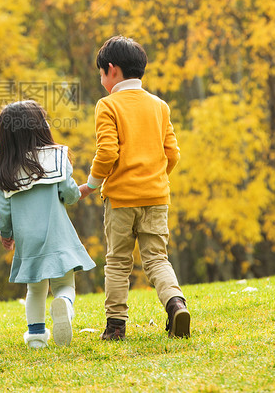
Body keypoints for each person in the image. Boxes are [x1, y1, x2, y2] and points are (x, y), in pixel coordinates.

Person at [78, 35, 191, 340]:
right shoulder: (159, 106)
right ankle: (176, 304)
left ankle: (116, 325)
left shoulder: (108, 106)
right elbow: (173, 154)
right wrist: (156, 177)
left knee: (117, 262)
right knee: (156, 258)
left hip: (121, 199)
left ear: (111, 70)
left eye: (101, 73)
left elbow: (107, 153)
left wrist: (91, 185)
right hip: (156, 197)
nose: (101, 79)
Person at [0, 101, 96, 349]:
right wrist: (83, 190)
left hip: (28, 240)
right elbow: (69, 194)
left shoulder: (4, 168)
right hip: (58, 236)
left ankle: (37, 336)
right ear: (40, 128)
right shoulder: (56, 157)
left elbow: (4, 210)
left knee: (35, 289)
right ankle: (64, 305)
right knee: (64, 285)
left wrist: (6, 234)